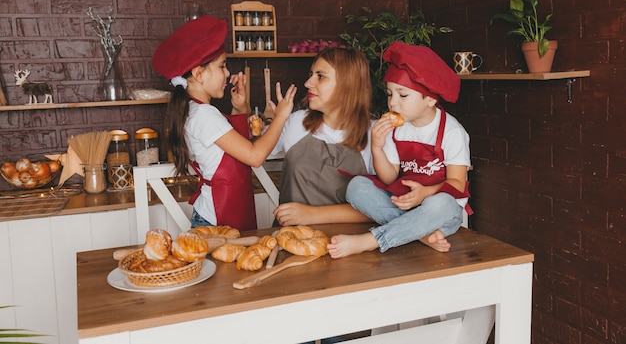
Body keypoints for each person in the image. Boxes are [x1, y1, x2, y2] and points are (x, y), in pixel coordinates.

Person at [328, 41, 473, 258]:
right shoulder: (398, 129)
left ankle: (372, 240)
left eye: (402, 95)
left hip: (441, 212)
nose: (392, 103)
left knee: (440, 204)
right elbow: (389, 178)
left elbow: (457, 184)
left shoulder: (452, 132)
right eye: (389, 94)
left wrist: (424, 193)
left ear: (430, 99)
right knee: (357, 187)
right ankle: (418, 233)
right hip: (403, 204)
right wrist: (377, 147)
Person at [152, 15, 297, 231]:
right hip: (217, 219)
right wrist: (281, 116)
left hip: (220, 213)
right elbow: (254, 156)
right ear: (199, 74)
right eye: (222, 66)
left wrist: (240, 108)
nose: (227, 73)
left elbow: (232, 149)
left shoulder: (196, 111)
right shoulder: (204, 115)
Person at [272, 46, 375, 226]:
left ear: (347, 83)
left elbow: (383, 209)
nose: (308, 83)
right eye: (311, 74)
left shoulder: (375, 134)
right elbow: (253, 154)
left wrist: (312, 215)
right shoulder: (297, 123)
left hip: (348, 245)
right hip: (290, 239)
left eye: (320, 76)